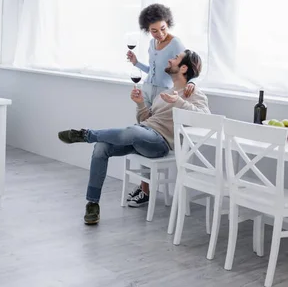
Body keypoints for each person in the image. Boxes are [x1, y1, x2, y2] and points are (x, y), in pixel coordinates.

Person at [58, 49, 210, 225]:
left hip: (160, 143)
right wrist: (140, 104)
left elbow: (205, 118)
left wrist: (179, 101)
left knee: (133, 131)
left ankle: (86, 134)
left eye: (175, 58)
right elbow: (147, 119)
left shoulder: (193, 93)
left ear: (183, 68)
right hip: (143, 133)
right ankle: (92, 204)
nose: (170, 60)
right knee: (101, 147)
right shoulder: (166, 92)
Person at [126, 3, 196, 203]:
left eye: (163, 29)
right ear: (147, 30)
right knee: (141, 135)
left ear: (168, 24)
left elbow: (186, 67)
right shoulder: (151, 44)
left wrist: (190, 84)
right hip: (147, 90)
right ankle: (144, 187)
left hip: (163, 96)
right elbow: (153, 71)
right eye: (154, 31)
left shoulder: (176, 44)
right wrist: (136, 63)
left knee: (150, 137)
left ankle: (145, 190)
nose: (159, 34)